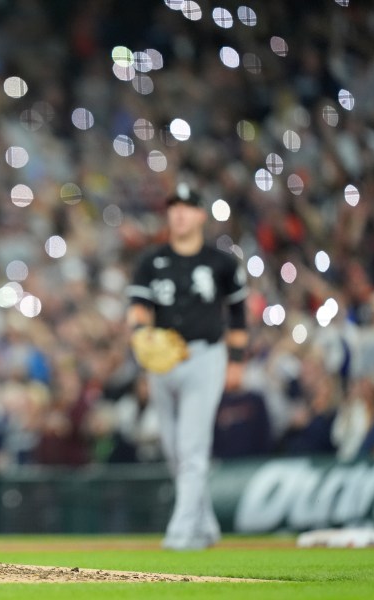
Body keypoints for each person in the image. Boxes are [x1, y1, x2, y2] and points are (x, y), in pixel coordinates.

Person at [125, 184, 249, 550]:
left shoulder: (222, 262)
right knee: (174, 450)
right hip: (163, 362)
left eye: (187, 206)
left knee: (192, 446)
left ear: (200, 215)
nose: (179, 213)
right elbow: (138, 308)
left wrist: (237, 361)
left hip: (206, 356)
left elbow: (239, 315)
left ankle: (181, 532)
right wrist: (139, 335)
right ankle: (207, 526)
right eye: (174, 206)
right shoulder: (151, 260)